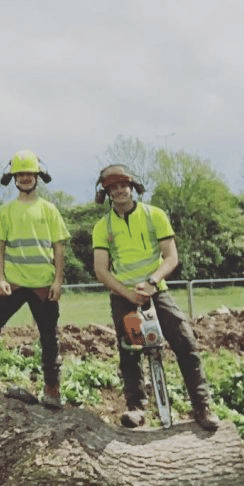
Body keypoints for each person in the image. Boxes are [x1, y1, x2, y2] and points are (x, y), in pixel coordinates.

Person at [91, 163, 219, 431]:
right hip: (124, 296)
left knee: (184, 340)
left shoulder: (154, 215)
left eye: (122, 185)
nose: (119, 192)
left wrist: (151, 282)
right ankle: (136, 407)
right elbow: (101, 269)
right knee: (132, 348)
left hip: (155, 291)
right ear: (106, 194)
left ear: (132, 186)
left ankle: (202, 404)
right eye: (112, 188)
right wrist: (127, 293)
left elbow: (171, 257)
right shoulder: (103, 227)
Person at [0, 150, 69, 409]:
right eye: (20, 174)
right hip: (12, 283)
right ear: (13, 178)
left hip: (43, 283)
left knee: (49, 336)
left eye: (29, 174)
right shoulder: (5, 211)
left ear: (38, 176)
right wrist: (0, 278)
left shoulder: (49, 210)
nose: (25, 178)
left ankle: (52, 388)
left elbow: (58, 247)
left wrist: (57, 281)